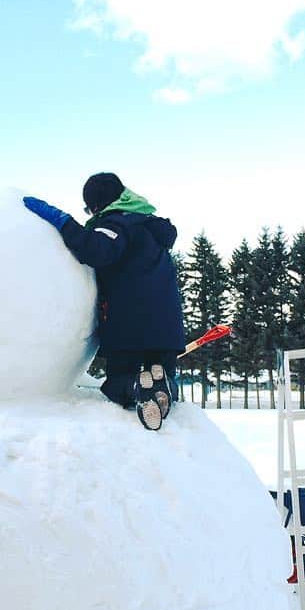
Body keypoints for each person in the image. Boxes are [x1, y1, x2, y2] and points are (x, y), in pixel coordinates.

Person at [24, 173, 185, 431]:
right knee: (164, 375)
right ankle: (161, 384)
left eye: (89, 208)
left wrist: (62, 220)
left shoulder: (119, 223)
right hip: (167, 328)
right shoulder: (151, 229)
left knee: (115, 384)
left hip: (130, 324)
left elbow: (96, 249)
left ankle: (135, 387)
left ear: (99, 204)